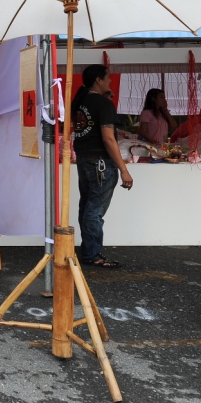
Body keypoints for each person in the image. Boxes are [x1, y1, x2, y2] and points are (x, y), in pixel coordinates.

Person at [71, 64, 133, 269]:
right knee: (94, 209)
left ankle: (89, 250)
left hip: (84, 159)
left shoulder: (80, 101)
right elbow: (108, 138)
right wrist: (124, 169)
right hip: (100, 162)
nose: (111, 81)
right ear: (98, 80)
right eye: (108, 78)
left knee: (87, 205)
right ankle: (92, 254)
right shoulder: (103, 104)